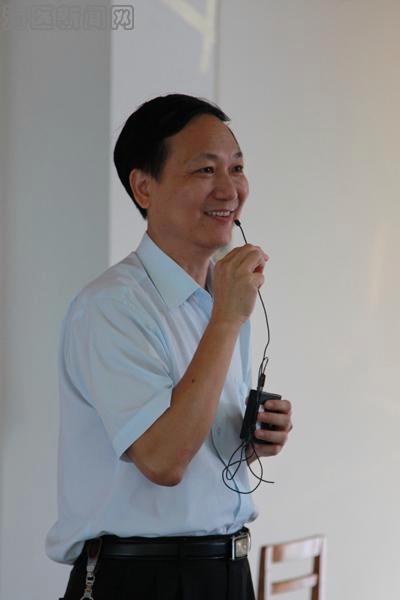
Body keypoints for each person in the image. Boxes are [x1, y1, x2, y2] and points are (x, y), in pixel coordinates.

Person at [46, 93, 293, 600]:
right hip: (142, 579)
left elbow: (192, 442)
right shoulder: (111, 306)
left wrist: (246, 441)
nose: (229, 189)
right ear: (144, 187)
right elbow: (163, 460)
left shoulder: (219, 295)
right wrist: (227, 318)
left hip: (227, 569)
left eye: (237, 167)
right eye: (205, 169)